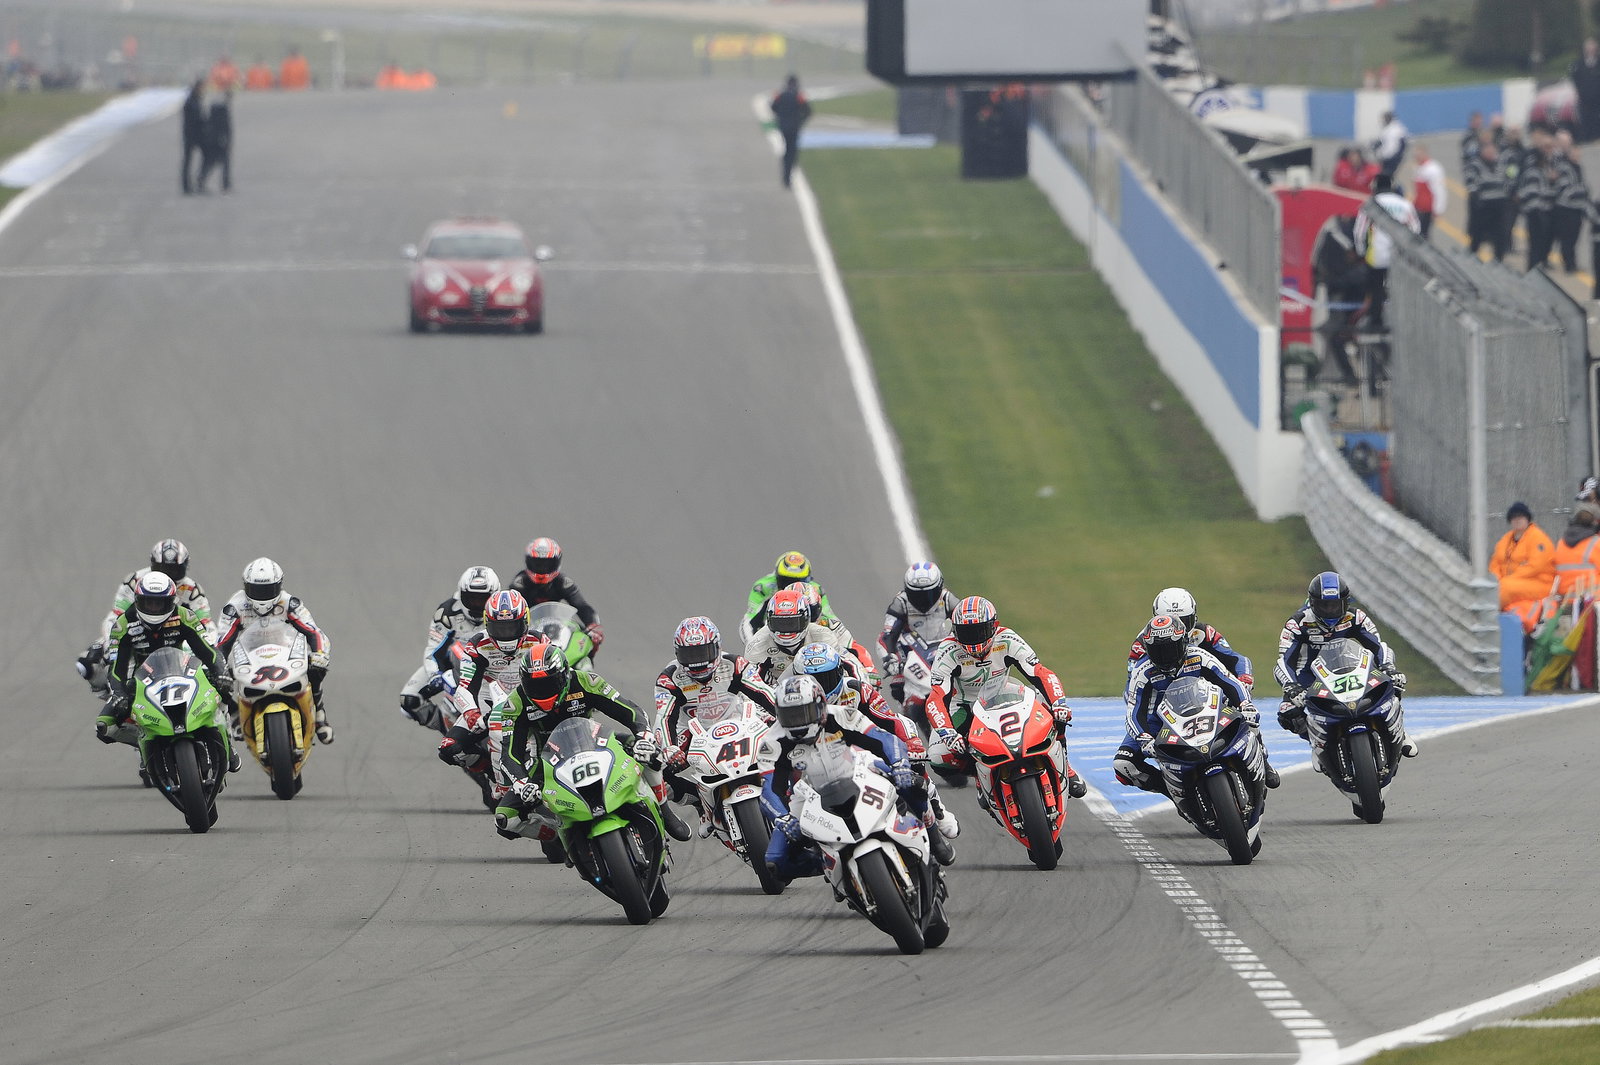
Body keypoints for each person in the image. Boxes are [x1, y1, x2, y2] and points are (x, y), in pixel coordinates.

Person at [494, 643, 691, 853]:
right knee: (505, 819)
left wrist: (644, 735)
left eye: (549, 684)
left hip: (595, 743)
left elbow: (631, 711)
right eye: (534, 686)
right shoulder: (515, 704)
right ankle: (557, 833)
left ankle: (664, 810)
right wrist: (522, 783)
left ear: (564, 675)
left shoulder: (586, 681)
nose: (543, 692)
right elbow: (509, 754)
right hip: (547, 760)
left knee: (647, 751)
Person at [762, 675, 951, 881]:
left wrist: (899, 764)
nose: (798, 722)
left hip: (861, 768)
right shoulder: (771, 742)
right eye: (790, 716)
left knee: (914, 784)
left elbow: (885, 739)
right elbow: (768, 788)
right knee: (775, 862)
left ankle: (934, 838)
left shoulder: (844, 715)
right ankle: (828, 864)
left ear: (820, 706)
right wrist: (782, 817)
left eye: (803, 713)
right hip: (808, 795)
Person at [792, 641, 959, 847]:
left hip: (867, 751)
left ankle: (935, 816)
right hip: (821, 765)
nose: (818, 688)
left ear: (839, 673)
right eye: (811, 681)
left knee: (912, 775)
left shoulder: (856, 689)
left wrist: (912, 744)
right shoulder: (790, 702)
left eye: (824, 679)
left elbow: (891, 720)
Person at [924, 596, 1087, 799]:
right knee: (939, 758)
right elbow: (936, 698)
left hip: (1004, 694)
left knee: (1053, 710)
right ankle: (980, 776)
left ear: (994, 626)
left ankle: (1066, 766)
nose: (974, 640)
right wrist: (948, 732)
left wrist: (1059, 703)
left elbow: (1040, 673)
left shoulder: (1007, 639)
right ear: (955, 632)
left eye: (980, 631)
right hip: (964, 705)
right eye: (967, 633)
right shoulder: (948, 651)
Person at [1113, 613, 1277, 794]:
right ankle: (1174, 792)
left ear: (1183, 642)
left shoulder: (1198, 655)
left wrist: (1245, 704)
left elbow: (1229, 681)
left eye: (1170, 649)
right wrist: (1144, 738)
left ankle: (1261, 762)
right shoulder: (1142, 670)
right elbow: (1133, 711)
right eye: (1157, 651)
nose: (1164, 656)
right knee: (1123, 765)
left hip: (1203, 707)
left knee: (1248, 719)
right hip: (1159, 721)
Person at [98, 571, 239, 773]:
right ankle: (143, 740)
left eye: (160, 603)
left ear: (172, 601)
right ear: (137, 600)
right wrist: (119, 693)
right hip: (142, 680)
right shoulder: (123, 625)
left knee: (223, 688)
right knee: (104, 726)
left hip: (183, 671)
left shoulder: (184, 616)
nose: (154, 609)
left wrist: (221, 671)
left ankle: (226, 740)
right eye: (149, 603)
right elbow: (116, 668)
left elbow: (208, 651)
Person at [644, 616, 778, 827]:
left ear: (717, 647)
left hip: (740, 721)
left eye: (703, 652)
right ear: (678, 654)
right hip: (693, 732)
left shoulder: (735, 664)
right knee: (656, 772)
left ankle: (787, 790)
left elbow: (764, 693)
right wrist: (669, 748)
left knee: (785, 741)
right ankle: (699, 801)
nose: (697, 661)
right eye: (690, 655)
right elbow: (664, 717)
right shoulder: (669, 678)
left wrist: (784, 716)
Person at [1273, 571, 1416, 759]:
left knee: (1391, 683)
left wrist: (1388, 667)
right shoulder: (1298, 623)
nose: (1330, 611)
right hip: (1310, 676)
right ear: (1312, 603)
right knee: (1287, 712)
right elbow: (1284, 660)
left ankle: (1399, 730)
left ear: (1346, 603)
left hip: (1351, 667)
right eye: (1324, 605)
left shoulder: (1356, 617)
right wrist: (1292, 686)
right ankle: (1317, 745)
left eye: (1335, 605)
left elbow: (1378, 646)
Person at [214, 557, 334, 744]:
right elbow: (222, 641)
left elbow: (314, 632)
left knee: (316, 668)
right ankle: (234, 714)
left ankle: (319, 713)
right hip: (249, 656)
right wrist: (217, 667)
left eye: (267, 590)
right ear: (246, 587)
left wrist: (320, 653)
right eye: (256, 590)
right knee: (219, 677)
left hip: (284, 653)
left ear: (279, 586)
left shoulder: (289, 603)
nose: (262, 597)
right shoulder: (235, 607)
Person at [435, 589, 548, 783]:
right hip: (488, 705)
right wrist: (471, 713)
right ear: (488, 624)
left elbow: (559, 674)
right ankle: (491, 774)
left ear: (525, 621)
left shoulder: (539, 641)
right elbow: (465, 686)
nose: (506, 634)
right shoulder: (477, 645)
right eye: (500, 628)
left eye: (512, 627)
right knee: (449, 748)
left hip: (530, 704)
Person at [78, 539, 212, 696]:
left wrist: (192, 652)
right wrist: (112, 644)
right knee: (87, 663)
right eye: (162, 569)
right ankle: (111, 695)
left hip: (176, 637)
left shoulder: (193, 590)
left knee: (207, 664)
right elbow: (116, 617)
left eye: (174, 571)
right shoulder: (134, 581)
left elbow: (205, 625)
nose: (167, 576)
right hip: (135, 633)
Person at [399, 565, 499, 728]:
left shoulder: (503, 611)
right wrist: (435, 675)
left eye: (482, 599)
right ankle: (450, 730)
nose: (476, 605)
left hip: (493, 666)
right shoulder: (447, 613)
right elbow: (433, 649)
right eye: (472, 598)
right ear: (461, 595)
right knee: (409, 700)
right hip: (451, 664)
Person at [1127, 587, 1253, 686]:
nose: (1179, 630)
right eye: (1170, 622)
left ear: (1194, 618)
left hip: (1202, 696)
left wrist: (1244, 678)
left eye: (1184, 621)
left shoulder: (1204, 633)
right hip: (1160, 699)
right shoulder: (1142, 643)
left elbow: (1237, 659)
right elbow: (1132, 685)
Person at [877, 561, 961, 707]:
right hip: (911, 654)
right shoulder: (901, 603)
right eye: (917, 595)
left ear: (939, 587)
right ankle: (910, 714)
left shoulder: (947, 599)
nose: (923, 600)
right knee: (897, 688)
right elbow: (887, 635)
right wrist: (890, 659)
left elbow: (964, 621)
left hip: (941, 649)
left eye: (929, 594)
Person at [744, 586, 859, 685]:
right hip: (775, 696)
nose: (786, 632)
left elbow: (851, 664)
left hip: (823, 693)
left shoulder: (823, 636)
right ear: (769, 622)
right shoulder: (756, 646)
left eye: (791, 623)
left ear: (805, 619)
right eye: (780, 623)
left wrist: (859, 685)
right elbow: (747, 685)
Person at [508, 537, 604, 652]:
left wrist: (593, 625)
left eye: (546, 564)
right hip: (527, 628)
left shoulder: (562, 582)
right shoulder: (520, 583)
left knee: (588, 639)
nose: (542, 569)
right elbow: (510, 608)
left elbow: (582, 606)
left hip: (555, 626)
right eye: (537, 564)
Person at [1351, 173, 1421, 330]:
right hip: (1399, 257)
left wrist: (1361, 251)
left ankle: (1376, 321)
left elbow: (1359, 232)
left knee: (1376, 289)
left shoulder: (1370, 205)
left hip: (1376, 256)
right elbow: (1415, 229)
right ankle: (1402, 320)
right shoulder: (1405, 204)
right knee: (1399, 289)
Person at [743, 550, 835, 638]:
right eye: (786, 581)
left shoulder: (816, 591)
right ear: (776, 576)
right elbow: (749, 620)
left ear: (808, 579)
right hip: (771, 636)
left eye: (799, 581)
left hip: (809, 638)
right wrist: (751, 644)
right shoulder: (763, 587)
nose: (792, 587)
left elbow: (832, 620)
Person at [1491, 502, 1556, 612]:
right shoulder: (1505, 540)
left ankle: (1488, 615)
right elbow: (1495, 564)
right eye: (1514, 517)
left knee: (1506, 588)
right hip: (1511, 582)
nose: (1517, 520)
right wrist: (1496, 580)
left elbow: (1535, 566)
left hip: (1539, 583)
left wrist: (1507, 580)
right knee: (1491, 588)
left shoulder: (1538, 538)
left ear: (1527, 519)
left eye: (1521, 516)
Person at [1516, 134, 1556, 270]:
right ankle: (1533, 268)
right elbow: (1531, 192)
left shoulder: (1549, 167)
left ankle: (1541, 264)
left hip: (1546, 210)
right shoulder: (1533, 169)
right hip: (1535, 211)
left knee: (1544, 241)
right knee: (1535, 242)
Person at [1466, 141, 1511, 261]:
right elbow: (1471, 185)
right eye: (1488, 150)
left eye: (1493, 150)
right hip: (1483, 206)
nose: (1491, 153)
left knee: (1500, 235)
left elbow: (1508, 179)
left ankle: (1498, 260)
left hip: (1500, 206)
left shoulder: (1501, 164)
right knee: (1477, 235)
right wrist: (1477, 200)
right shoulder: (1475, 165)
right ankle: (1472, 257)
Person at [1551, 131, 1588, 274]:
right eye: (1575, 154)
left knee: (1574, 237)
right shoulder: (1564, 166)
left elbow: (1582, 186)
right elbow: (1563, 187)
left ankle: (1572, 262)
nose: (1577, 156)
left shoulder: (1578, 167)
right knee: (1567, 238)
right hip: (1566, 208)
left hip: (1577, 208)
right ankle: (1568, 264)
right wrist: (1578, 193)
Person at [770, 74, 812, 189]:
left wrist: (780, 117)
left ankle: (786, 176)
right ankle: (788, 176)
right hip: (794, 128)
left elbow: (773, 107)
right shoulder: (798, 96)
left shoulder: (781, 95)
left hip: (783, 127)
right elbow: (808, 111)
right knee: (792, 152)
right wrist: (800, 121)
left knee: (788, 151)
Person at [1552, 504, 1600, 598]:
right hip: (1592, 600)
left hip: (1566, 599)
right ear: (1595, 523)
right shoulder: (1596, 543)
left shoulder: (1561, 543)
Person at [198, 89, 232, 194]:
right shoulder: (222, 111)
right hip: (218, 141)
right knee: (221, 162)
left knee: (210, 162)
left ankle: (202, 181)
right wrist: (226, 139)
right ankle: (225, 184)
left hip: (213, 140)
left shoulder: (213, 112)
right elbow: (225, 128)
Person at [1411, 146, 1446, 240]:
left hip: (1427, 209)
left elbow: (1439, 191)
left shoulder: (1433, 169)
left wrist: (1438, 210)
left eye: (1418, 155)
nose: (1416, 158)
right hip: (1418, 206)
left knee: (1423, 233)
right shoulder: (1418, 168)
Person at [1572, 38, 1600, 144]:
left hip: (1597, 96)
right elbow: (1575, 78)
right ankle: (1586, 137)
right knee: (1585, 116)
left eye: (1592, 48)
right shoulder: (1579, 64)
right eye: (1588, 48)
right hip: (1584, 96)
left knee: (1597, 116)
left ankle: (1597, 136)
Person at [180, 78, 205, 194]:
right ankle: (188, 185)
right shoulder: (192, 101)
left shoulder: (194, 100)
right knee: (188, 160)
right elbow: (197, 118)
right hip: (192, 135)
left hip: (191, 134)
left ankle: (192, 184)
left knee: (188, 160)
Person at [1372, 111, 1408, 178]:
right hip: (1389, 157)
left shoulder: (1395, 130)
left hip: (1393, 158)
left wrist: (1381, 154)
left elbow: (1395, 147)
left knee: (1386, 176)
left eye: (1384, 119)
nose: (1383, 121)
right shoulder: (1389, 129)